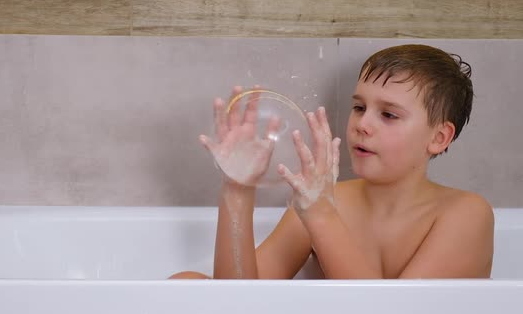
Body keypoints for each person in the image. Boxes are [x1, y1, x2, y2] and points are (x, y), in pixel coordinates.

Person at [170, 44, 494, 280]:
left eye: (389, 114)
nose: (362, 124)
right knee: (186, 285)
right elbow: (236, 303)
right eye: (359, 107)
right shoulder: (324, 199)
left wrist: (321, 216)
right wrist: (238, 189)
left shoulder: (465, 214)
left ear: (438, 138)